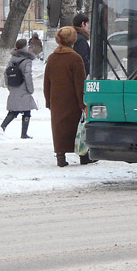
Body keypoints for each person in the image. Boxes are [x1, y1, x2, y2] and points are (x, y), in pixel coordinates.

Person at [44, 26, 92, 167]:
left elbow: (47, 82)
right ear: (73, 40)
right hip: (72, 100)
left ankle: (60, 157)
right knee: (77, 128)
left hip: (57, 100)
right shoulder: (75, 58)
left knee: (58, 128)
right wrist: (82, 102)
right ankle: (83, 156)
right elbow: (80, 82)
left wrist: (48, 101)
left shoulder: (52, 58)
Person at [0, 39, 37, 139]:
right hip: (24, 88)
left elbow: (6, 73)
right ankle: (23, 133)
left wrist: (9, 86)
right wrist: (30, 89)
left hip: (14, 86)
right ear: (25, 47)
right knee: (26, 110)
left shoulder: (13, 58)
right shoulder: (27, 60)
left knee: (14, 110)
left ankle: (2, 127)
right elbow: (27, 75)